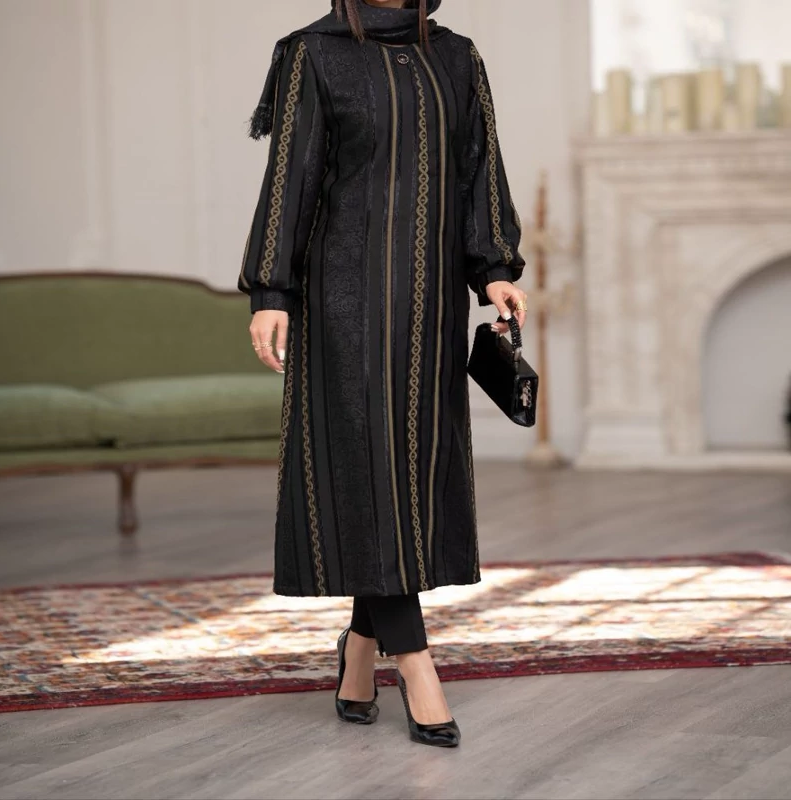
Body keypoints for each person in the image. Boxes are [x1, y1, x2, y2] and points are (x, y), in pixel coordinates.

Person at [238, 0, 527, 748]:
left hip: (429, 302)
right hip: (343, 297)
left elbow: (479, 166)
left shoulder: (456, 55)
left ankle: (361, 651)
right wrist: (271, 293)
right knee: (368, 472)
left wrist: (494, 268)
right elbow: (291, 175)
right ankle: (419, 668)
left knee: (406, 477)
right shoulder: (313, 52)